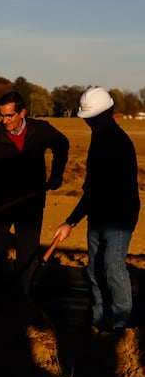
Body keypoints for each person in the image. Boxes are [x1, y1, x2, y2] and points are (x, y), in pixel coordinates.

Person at [51, 88, 139, 331]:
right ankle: (99, 324)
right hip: (99, 214)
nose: (90, 123)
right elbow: (93, 189)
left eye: (93, 118)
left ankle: (121, 327)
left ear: (108, 113)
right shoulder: (99, 139)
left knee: (112, 267)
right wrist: (72, 221)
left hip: (119, 217)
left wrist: (71, 221)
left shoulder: (119, 144)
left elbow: (99, 189)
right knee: (94, 270)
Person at [0, 91, 68, 297]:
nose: (4, 121)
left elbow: (62, 144)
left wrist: (56, 174)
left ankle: (22, 303)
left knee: (27, 256)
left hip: (30, 205)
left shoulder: (40, 131)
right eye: (2, 115)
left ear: (22, 113)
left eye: (9, 116)